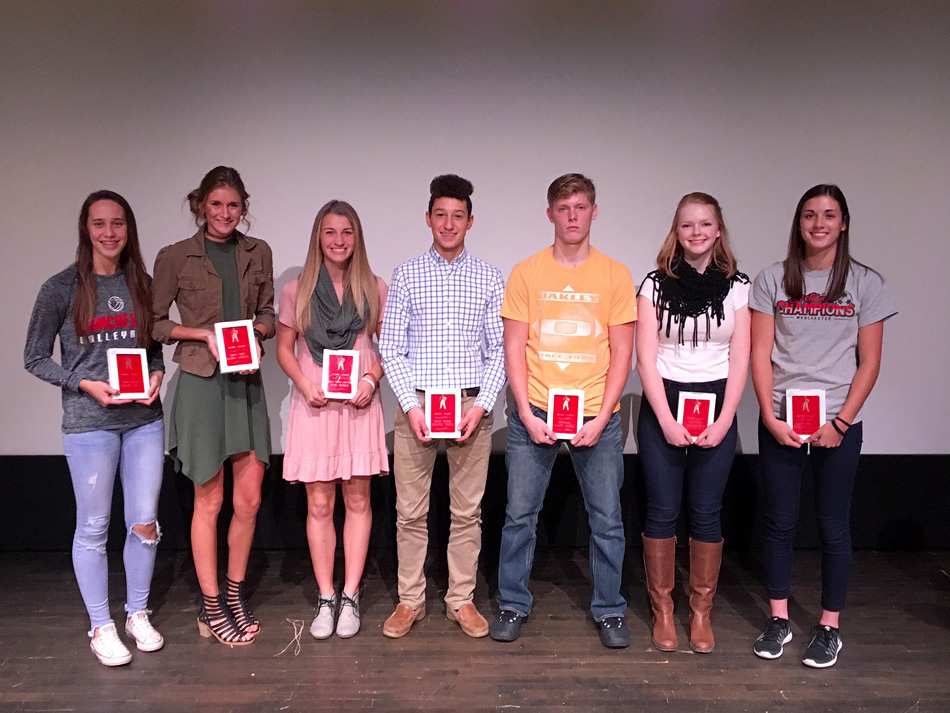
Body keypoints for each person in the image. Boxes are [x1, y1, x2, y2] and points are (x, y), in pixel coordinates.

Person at [749, 184, 897, 668]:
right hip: (781, 422)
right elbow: (759, 354)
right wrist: (770, 418)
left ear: (844, 223)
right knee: (779, 523)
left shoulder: (865, 283)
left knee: (834, 526)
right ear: (799, 223)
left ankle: (829, 626)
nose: (819, 223)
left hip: (837, 422)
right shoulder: (772, 280)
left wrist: (841, 421)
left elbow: (870, 362)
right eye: (810, 215)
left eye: (829, 215)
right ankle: (778, 619)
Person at [490, 173, 636, 649]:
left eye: (580, 207)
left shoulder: (615, 275)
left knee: (608, 520)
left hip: (597, 415)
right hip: (534, 412)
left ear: (594, 212)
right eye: (563, 208)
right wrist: (525, 415)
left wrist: (602, 416)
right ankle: (512, 603)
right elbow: (514, 349)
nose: (572, 216)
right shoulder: (526, 273)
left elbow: (622, 355)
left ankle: (610, 609)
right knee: (518, 516)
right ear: (550, 214)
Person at [25, 190, 166, 666]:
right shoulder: (60, 288)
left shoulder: (142, 283)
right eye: (100, 224)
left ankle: (138, 612)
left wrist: (157, 377)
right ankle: (101, 624)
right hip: (90, 425)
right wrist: (81, 382)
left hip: (144, 421)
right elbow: (35, 358)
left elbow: (153, 350)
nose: (110, 233)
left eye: (118, 223)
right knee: (94, 527)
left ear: (129, 229)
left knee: (144, 523)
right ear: (86, 230)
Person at [151, 166, 275, 646]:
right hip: (203, 385)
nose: (225, 213)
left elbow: (266, 313)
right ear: (201, 204)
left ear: (244, 207)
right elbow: (157, 323)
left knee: (249, 500)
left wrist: (257, 336)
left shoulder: (257, 251)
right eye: (216, 204)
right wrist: (202, 333)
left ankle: (234, 592)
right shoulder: (175, 257)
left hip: (245, 385)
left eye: (234, 205)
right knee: (211, 500)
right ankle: (210, 604)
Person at [379, 174, 506, 639]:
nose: (448, 224)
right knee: (410, 513)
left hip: (472, 406)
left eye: (458, 216)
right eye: (440, 215)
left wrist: (483, 404)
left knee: (466, 513)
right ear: (428, 219)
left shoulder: (490, 277)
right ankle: (410, 600)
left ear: (470, 222)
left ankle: (461, 600)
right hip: (418, 406)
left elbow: (498, 352)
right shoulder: (407, 274)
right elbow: (390, 348)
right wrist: (412, 408)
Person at [635, 192, 750, 653]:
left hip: (717, 403)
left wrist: (724, 421)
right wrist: (664, 418)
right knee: (662, 510)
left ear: (718, 230)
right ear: (676, 231)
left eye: (705, 224)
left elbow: (740, 358)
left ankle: (700, 612)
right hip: (664, 401)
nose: (696, 232)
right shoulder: (653, 284)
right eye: (687, 225)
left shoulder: (738, 285)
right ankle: (663, 610)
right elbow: (646, 357)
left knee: (706, 511)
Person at [276, 200, 388, 639]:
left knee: (358, 502)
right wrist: (305, 385)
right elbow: (285, 349)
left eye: (346, 232)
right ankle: (326, 596)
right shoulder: (296, 289)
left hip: (358, 406)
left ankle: (352, 595)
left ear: (356, 237)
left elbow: (389, 347)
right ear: (317, 238)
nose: (338, 241)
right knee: (320, 504)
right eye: (329, 232)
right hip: (316, 404)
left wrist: (372, 378)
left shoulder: (374, 288)